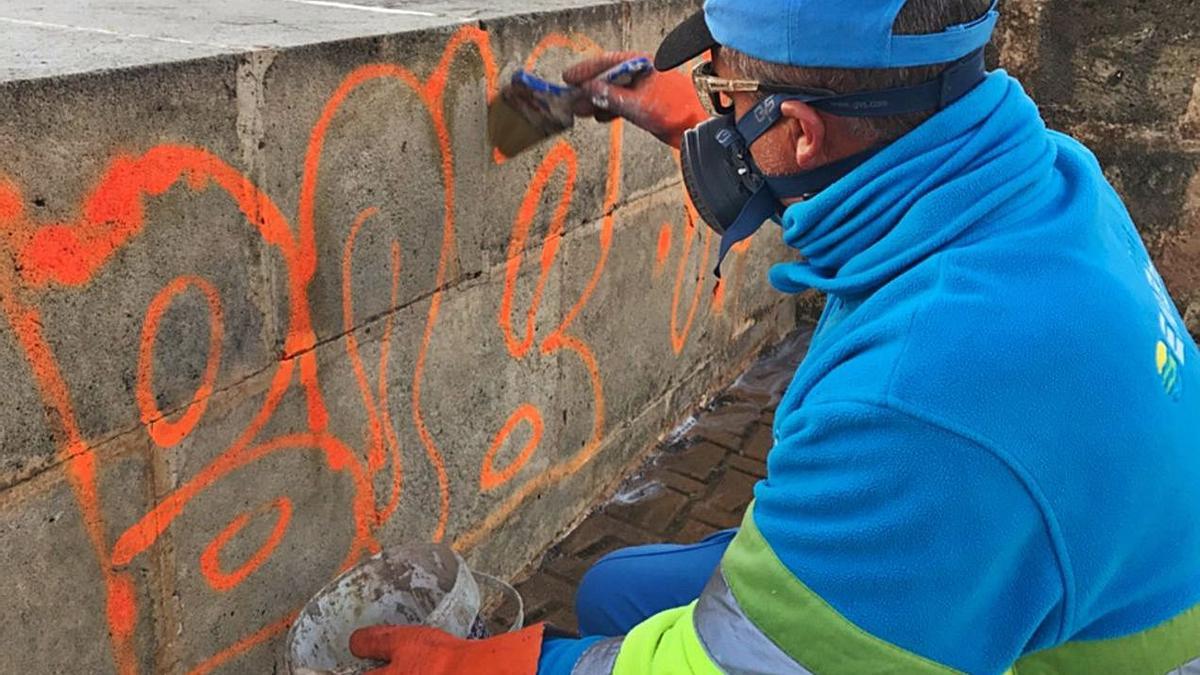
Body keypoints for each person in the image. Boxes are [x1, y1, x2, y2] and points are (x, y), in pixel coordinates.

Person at [349, 0, 1200, 672]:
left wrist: (494, 668)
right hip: (1044, 557)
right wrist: (712, 124)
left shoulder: (922, 402)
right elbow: (848, 170)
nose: (714, 113)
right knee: (613, 587)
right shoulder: (1040, 179)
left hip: (1019, 631)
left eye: (725, 94)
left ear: (798, 128)